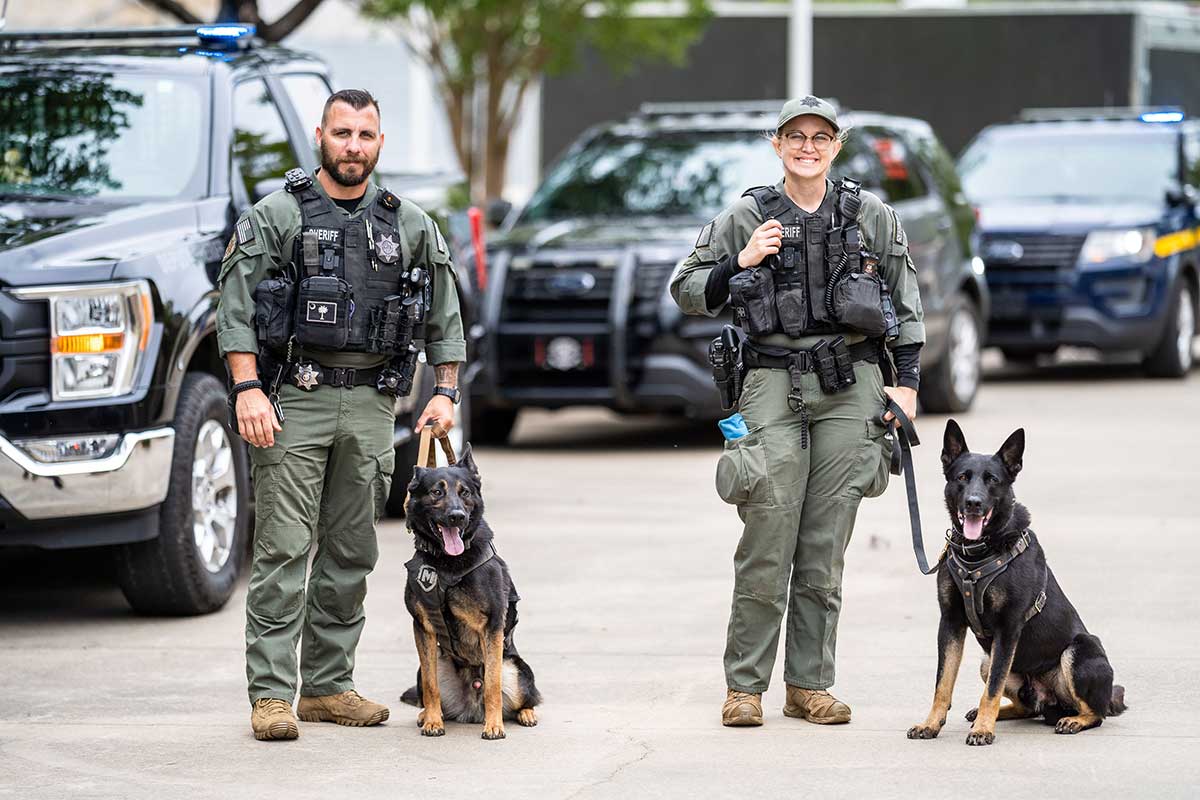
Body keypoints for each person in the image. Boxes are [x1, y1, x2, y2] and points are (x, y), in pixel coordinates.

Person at [217, 89, 466, 741]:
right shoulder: (277, 216)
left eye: (365, 135)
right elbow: (236, 308)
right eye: (342, 133)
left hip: (373, 405)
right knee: (283, 547)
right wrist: (247, 391)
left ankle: (327, 687)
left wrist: (445, 390)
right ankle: (271, 694)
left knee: (352, 551)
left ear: (380, 143)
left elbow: (444, 311)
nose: (353, 145)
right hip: (292, 399)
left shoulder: (407, 222)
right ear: (320, 136)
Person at [670, 96, 925, 727]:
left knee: (824, 544)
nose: (807, 146)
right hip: (770, 386)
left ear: (837, 145)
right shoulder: (747, 215)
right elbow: (686, 289)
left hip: (852, 388)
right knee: (767, 535)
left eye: (819, 136)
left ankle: (810, 684)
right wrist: (741, 261)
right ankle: (745, 688)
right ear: (776, 143)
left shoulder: (871, 216)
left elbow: (906, 302)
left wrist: (909, 385)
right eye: (794, 136)